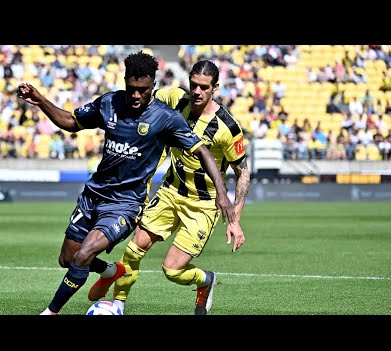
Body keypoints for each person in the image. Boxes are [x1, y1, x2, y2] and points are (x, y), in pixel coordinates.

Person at [16, 51, 235, 315]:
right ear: (124, 81)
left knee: (85, 254)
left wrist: (222, 194)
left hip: (125, 205)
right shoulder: (109, 102)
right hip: (92, 196)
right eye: (131, 88)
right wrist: (40, 100)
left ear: (153, 86)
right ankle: (111, 271)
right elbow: (71, 122)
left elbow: (203, 152)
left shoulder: (166, 118)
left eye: (142, 90)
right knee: (68, 259)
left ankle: (51, 312)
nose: (135, 96)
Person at [88, 59, 250, 315]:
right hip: (170, 192)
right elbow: (144, 96)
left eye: (204, 87)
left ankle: (206, 281)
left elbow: (243, 173)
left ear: (215, 88)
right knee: (133, 249)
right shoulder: (176, 99)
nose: (197, 91)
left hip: (202, 205)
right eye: (193, 85)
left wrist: (235, 219)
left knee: (172, 270)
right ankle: (117, 306)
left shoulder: (227, 127)